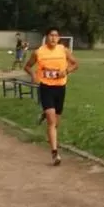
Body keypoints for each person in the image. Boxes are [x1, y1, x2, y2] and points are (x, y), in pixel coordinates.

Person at [23, 27, 79, 166]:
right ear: (46, 37)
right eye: (51, 35)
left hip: (60, 87)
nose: (53, 38)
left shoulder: (63, 50)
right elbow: (27, 66)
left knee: (56, 122)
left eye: (56, 35)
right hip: (46, 87)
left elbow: (76, 64)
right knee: (52, 121)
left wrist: (66, 71)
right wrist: (33, 75)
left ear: (59, 38)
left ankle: (47, 116)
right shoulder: (39, 52)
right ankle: (54, 153)